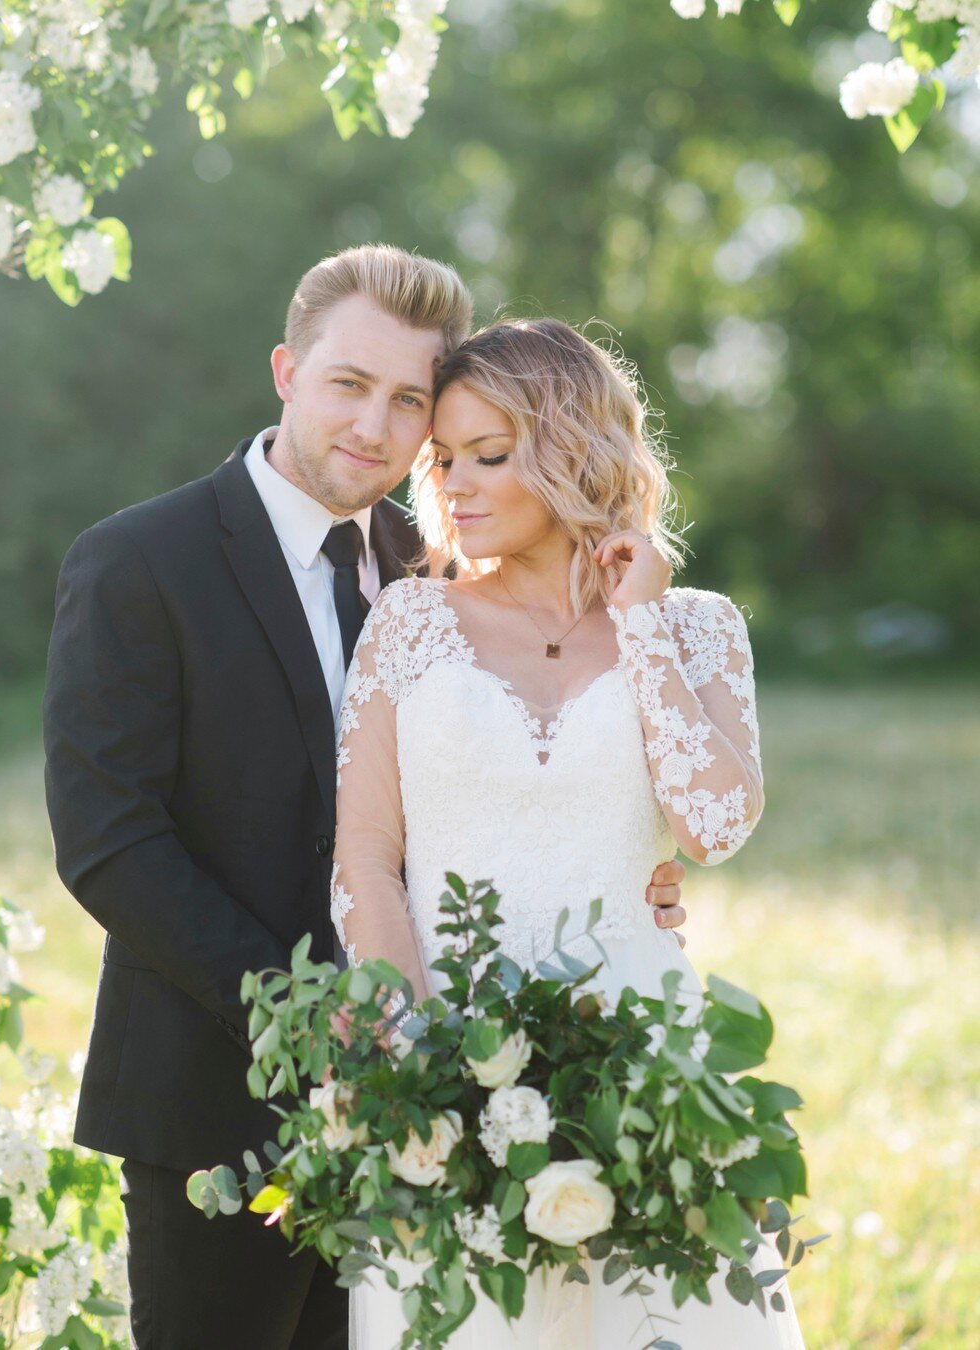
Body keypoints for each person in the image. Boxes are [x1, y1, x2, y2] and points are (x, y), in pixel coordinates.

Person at [42, 247, 690, 1349]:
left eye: (409, 401)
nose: (377, 427)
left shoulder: (439, 567)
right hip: (218, 1093)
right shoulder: (139, 561)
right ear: (288, 370)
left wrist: (626, 864)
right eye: (350, 383)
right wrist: (313, 1017)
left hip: (444, 1108)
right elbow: (110, 842)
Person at [332, 317, 805, 1347]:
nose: (455, 486)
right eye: (444, 460)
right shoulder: (410, 625)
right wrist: (415, 1068)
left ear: (572, 450)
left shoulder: (698, 628)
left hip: (645, 1068)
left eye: (490, 457)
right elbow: (366, 856)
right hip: (451, 1055)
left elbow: (715, 825)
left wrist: (640, 620)